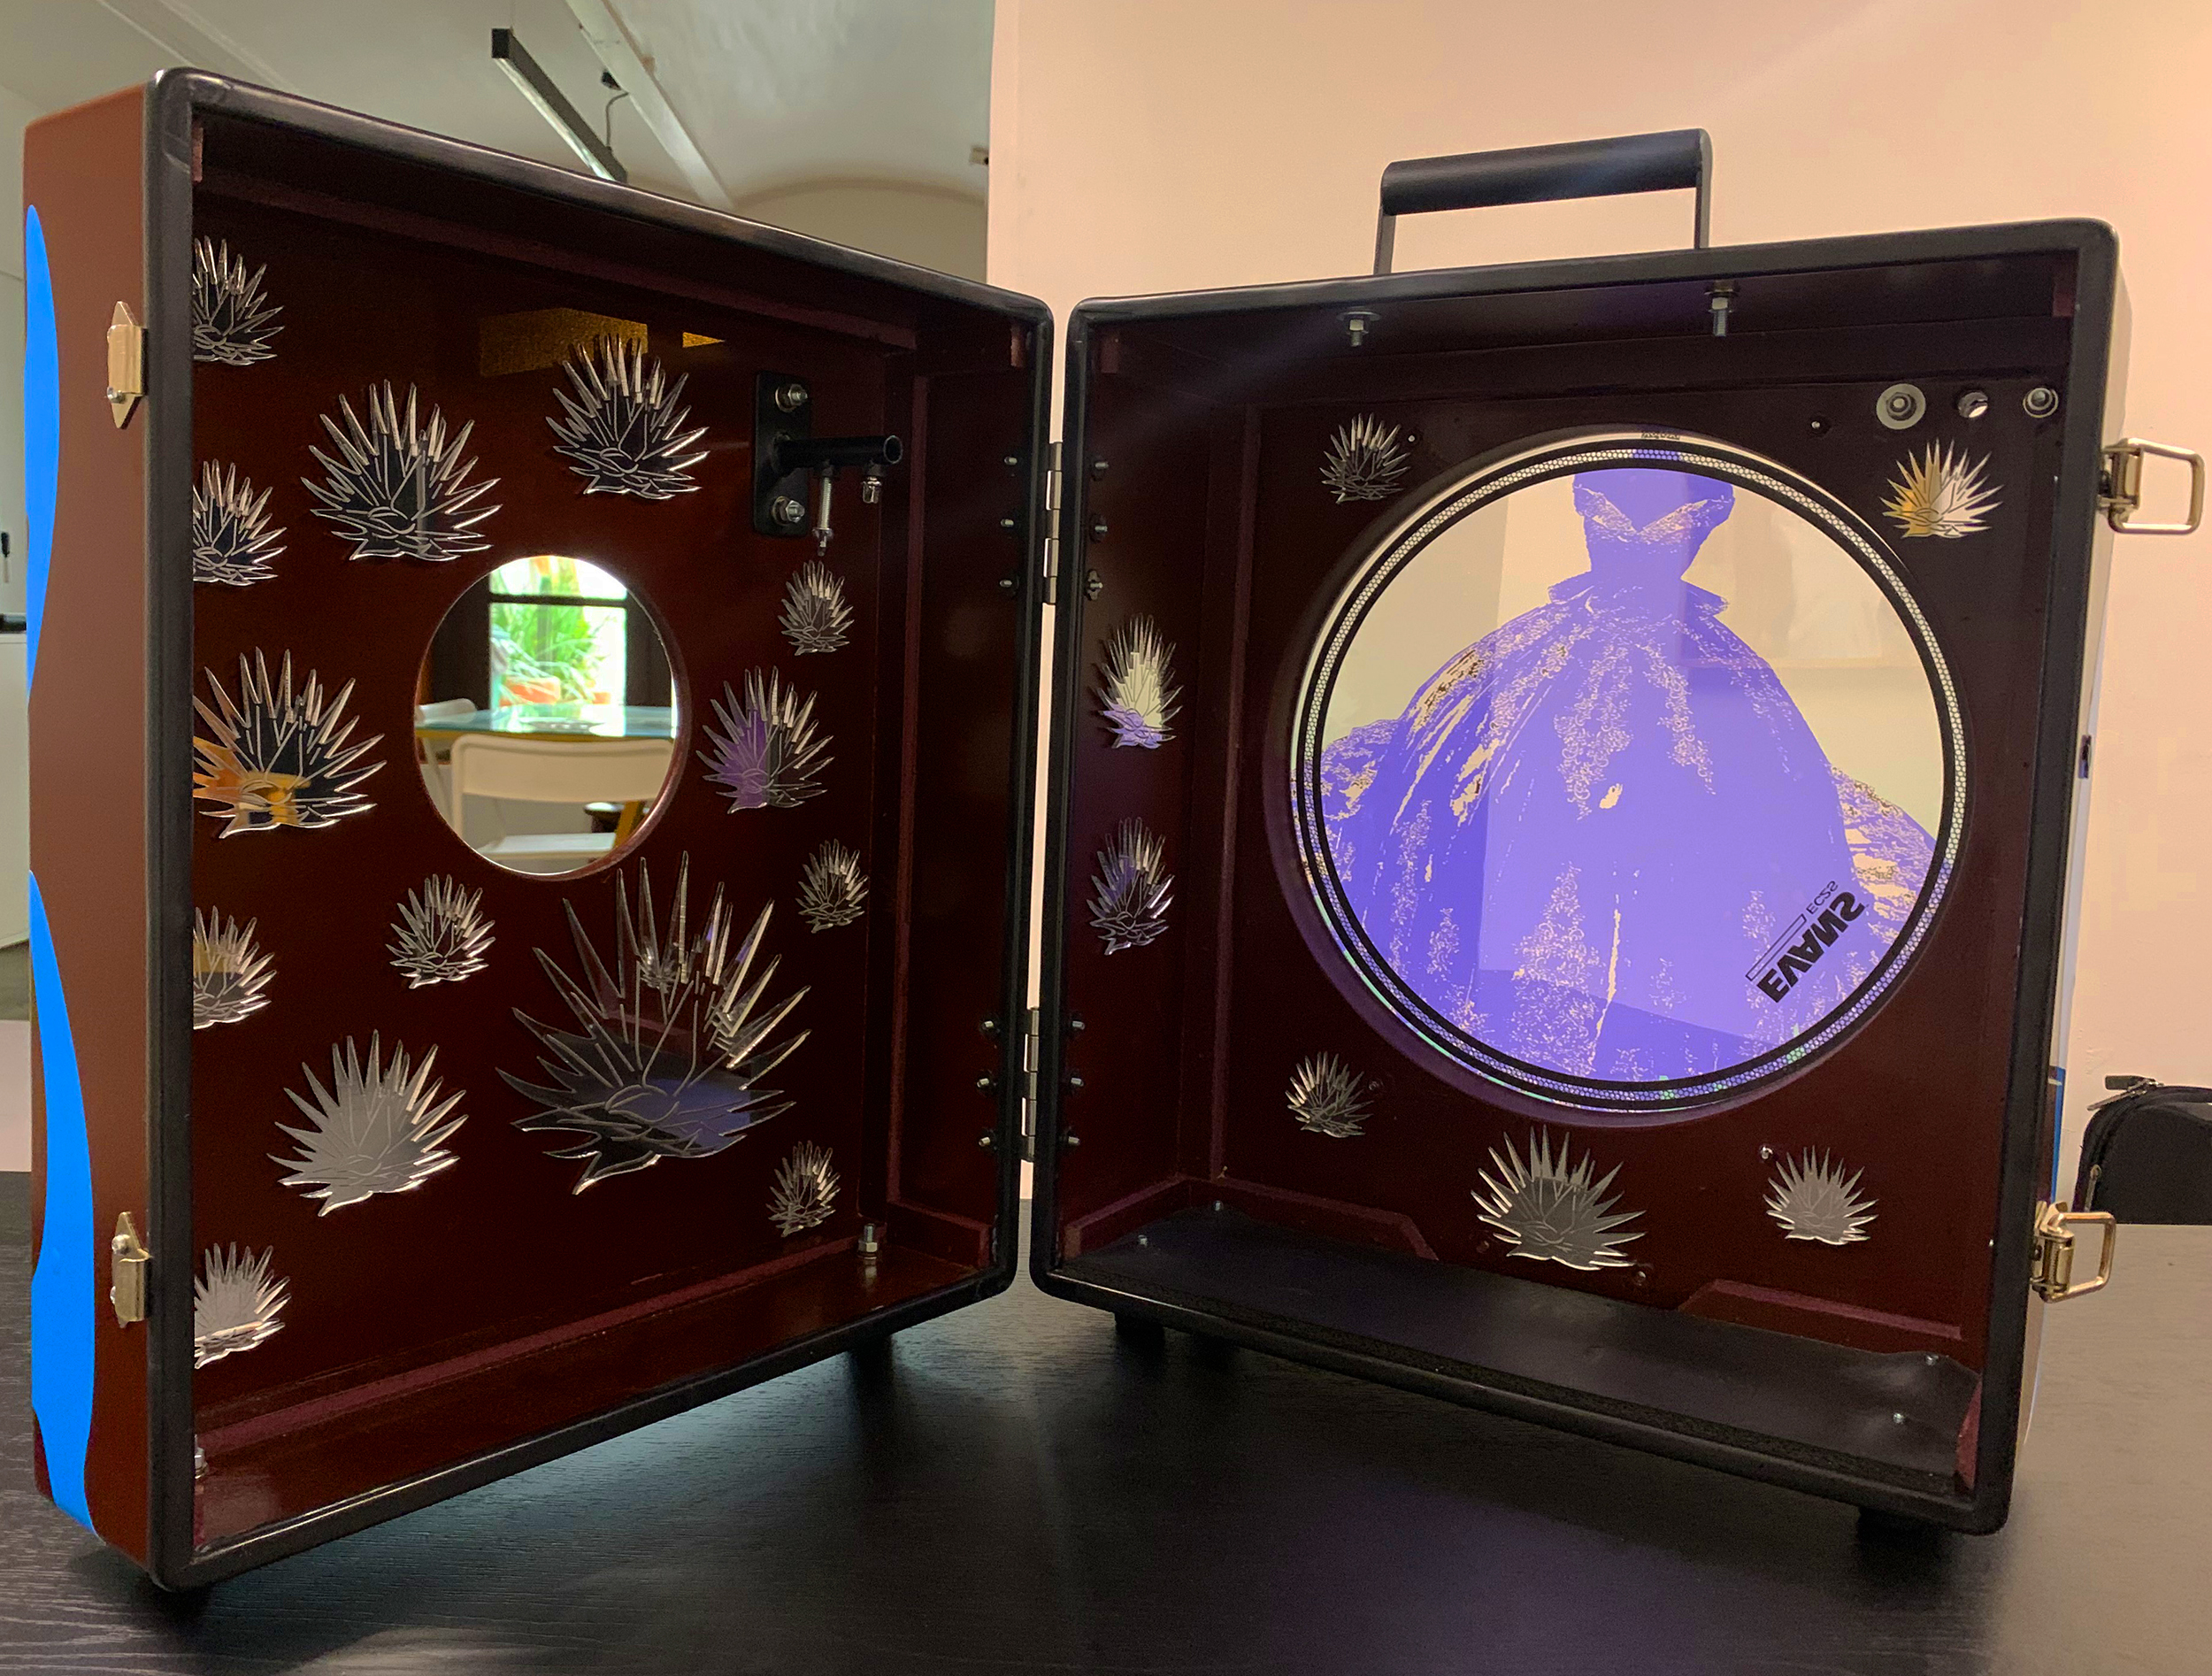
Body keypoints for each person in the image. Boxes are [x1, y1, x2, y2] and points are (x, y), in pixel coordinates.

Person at [1320, 466, 1932, 1087]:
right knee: (1502, 821)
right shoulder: (1559, 593)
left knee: (1709, 852)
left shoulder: (1707, 531)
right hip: (1559, 655)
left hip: (1683, 661)